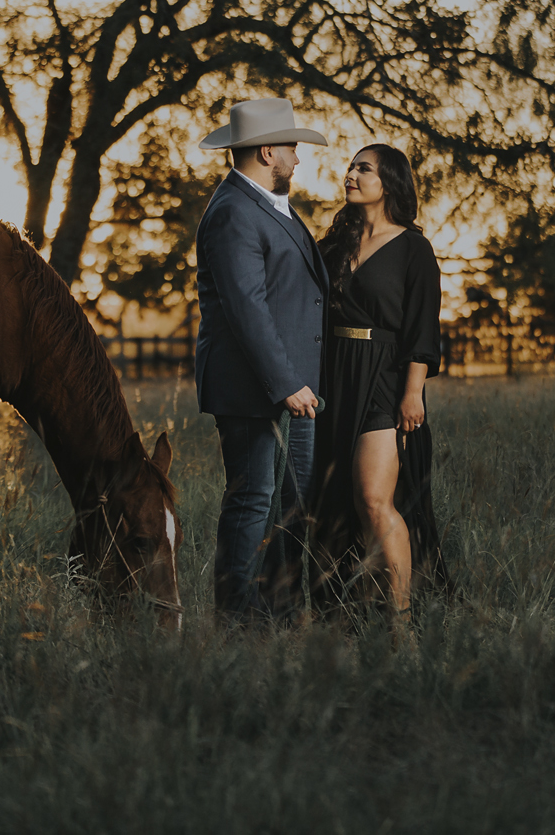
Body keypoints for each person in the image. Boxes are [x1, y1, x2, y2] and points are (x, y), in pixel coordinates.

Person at [191, 97, 329, 621]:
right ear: (268, 151)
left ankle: (279, 609)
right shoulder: (232, 212)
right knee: (252, 501)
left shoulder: (270, 205)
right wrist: (285, 381)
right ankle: (234, 619)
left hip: (298, 388)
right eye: (291, 147)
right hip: (258, 388)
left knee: (295, 502)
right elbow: (247, 307)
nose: (298, 157)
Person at [313, 143, 448, 616]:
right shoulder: (332, 246)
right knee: (334, 501)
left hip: (383, 379)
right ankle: (344, 611)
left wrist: (414, 393)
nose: (350, 174)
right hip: (332, 376)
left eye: (363, 168)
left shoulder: (414, 248)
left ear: (389, 181)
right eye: (351, 167)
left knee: (374, 499)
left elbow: (422, 327)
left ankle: (402, 622)